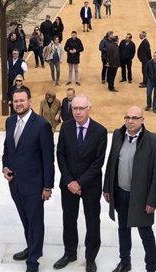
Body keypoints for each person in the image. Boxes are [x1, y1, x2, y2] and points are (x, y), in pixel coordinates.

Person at [103, 106, 156, 272]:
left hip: (141, 197)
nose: (130, 121)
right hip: (121, 193)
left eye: (135, 118)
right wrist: (107, 187)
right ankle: (125, 262)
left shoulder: (155, 142)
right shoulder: (117, 135)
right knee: (123, 229)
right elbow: (111, 162)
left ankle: (151, 267)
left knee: (145, 233)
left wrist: (152, 201)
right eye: (127, 117)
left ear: (142, 120)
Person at [2, 87, 55, 272]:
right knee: (26, 220)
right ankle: (30, 246)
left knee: (35, 222)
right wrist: (5, 166)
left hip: (34, 185)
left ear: (29, 101)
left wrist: (48, 186)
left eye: (22, 100)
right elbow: (7, 150)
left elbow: (49, 158)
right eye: (15, 101)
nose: (18, 104)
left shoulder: (41, 125)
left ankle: (33, 259)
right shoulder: (9, 122)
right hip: (15, 184)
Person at [54, 95, 107, 271]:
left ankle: (91, 257)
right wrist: (70, 181)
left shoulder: (100, 131)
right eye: (75, 108)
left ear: (89, 108)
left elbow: (98, 163)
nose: (77, 112)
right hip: (68, 184)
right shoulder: (66, 127)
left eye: (81, 108)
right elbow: (60, 154)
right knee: (69, 219)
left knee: (92, 221)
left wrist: (80, 183)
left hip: (90, 185)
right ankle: (70, 253)